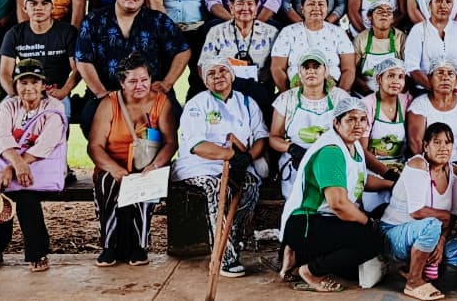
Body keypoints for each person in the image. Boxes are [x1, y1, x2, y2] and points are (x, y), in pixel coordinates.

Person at [279, 97, 385, 293]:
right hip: (306, 222)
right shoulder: (331, 151)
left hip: (322, 222)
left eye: (362, 119)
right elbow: (338, 204)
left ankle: (297, 254)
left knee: (352, 269)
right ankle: (310, 271)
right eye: (351, 119)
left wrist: (391, 184)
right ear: (336, 122)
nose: (358, 125)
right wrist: (368, 222)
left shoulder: (353, 146)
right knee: (371, 241)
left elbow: (360, 181)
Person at [174, 57, 266, 277]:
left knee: (251, 186)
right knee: (217, 188)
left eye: (223, 71)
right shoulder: (197, 104)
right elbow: (197, 145)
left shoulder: (246, 103)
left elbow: (261, 137)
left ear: (232, 76)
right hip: (200, 166)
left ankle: (231, 236)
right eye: (211, 73)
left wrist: (247, 157)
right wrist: (232, 156)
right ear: (206, 81)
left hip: (238, 163)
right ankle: (225, 256)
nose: (218, 76)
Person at [0, 59, 68, 274]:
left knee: (27, 198)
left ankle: (37, 254)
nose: (29, 88)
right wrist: (15, 165)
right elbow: (0, 137)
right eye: (23, 83)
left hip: (39, 166)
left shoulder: (54, 106)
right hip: (15, 164)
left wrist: (15, 166)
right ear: (16, 85)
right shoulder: (9, 104)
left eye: (34, 83)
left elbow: (47, 143)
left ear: (43, 85)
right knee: (1, 193)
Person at [87, 53, 178, 268]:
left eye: (144, 79)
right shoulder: (110, 103)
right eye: (133, 81)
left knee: (145, 186)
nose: (140, 85)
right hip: (113, 164)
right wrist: (115, 169)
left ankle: (140, 246)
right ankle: (109, 246)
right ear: (122, 83)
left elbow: (171, 143)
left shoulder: (161, 103)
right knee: (107, 184)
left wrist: (154, 166)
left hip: (147, 165)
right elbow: (95, 146)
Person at [74, 0, 191, 136]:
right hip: (108, 91)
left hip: (151, 92)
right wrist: (101, 92)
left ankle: (155, 161)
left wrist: (167, 83)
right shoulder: (94, 20)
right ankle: (107, 161)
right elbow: (83, 60)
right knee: (89, 119)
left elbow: (183, 50)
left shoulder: (158, 20)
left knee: (171, 115)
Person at [380, 122, 457, 301]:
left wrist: (442, 241)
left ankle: (411, 267)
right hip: (393, 233)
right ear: (426, 146)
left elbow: (452, 216)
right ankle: (414, 281)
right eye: (437, 142)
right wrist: (444, 219)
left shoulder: (453, 173)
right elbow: (417, 212)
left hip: (426, 232)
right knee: (432, 225)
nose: (443, 147)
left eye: (448, 142)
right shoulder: (418, 164)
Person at [269, 51, 354, 197]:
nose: (311, 71)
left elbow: (351, 135)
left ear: (326, 71)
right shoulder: (286, 98)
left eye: (316, 66)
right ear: (299, 72)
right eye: (306, 67)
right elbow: (274, 137)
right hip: (297, 162)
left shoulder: (340, 98)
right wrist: (292, 149)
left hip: (332, 159)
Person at [199, 0, 279, 112]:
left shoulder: (271, 32)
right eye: (240, 4)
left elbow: (277, 64)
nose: (245, 8)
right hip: (225, 86)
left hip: (258, 86)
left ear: (257, 7)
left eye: (250, 4)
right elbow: (203, 64)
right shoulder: (217, 31)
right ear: (231, 8)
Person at [0, 0, 79, 112]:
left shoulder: (67, 32)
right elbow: (5, 73)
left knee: (59, 122)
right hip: (25, 92)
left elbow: (77, 68)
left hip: (55, 93)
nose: (39, 7)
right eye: (33, 3)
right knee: (4, 113)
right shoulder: (14, 33)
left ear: (52, 8)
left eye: (45, 3)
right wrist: (16, 94)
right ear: (25, 8)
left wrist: (64, 91)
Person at [270, 0, 356, 91]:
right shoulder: (288, 32)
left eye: (321, 4)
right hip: (297, 88)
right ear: (302, 9)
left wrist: (339, 96)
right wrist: (289, 96)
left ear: (327, 9)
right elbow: (277, 68)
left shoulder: (338, 33)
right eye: (311, 4)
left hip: (331, 88)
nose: (316, 8)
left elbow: (349, 69)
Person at [360, 59, 411, 210]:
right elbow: (362, 150)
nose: (396, 81)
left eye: (400, 77)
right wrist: (387, 174)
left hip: (400, 167)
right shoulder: (367, 104)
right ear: (379, 79)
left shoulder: (407, 101)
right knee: (375, 210)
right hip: (373, 169)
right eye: (390, 76)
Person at [408, 57, 457, 167]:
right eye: (439, 73)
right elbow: (416, 143)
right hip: (432, 166)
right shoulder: (420, 105)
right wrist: (435, 169)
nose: (445, 78)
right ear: (430, 78)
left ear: (456, 80)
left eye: (450, 74)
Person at [404, 0, 457, 92]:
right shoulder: (418, 30)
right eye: (438, 1)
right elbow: (412, 67)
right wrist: (434, 89)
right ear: (430, 4)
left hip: (455, 90)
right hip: (424, 89)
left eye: (448, 2)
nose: (443, 5)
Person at [352, 1, 405, 96]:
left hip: (395, 93)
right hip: (366, 94)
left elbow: (408, 72)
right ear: (369, 16)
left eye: (389, 12)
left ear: (393, 19)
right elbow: (352, 72)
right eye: (379, 11)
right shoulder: (361, 39)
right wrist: (369, 94)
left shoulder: (400, 38)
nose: (384, 14)